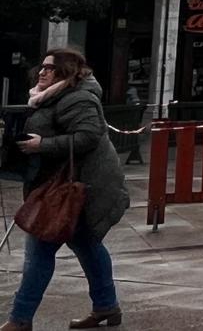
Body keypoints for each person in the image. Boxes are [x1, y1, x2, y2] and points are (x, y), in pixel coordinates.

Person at [5, 48, 130, 331]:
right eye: (42, 67)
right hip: (63, 185)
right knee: (87, 246)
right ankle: (106, 307)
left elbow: (88, 135)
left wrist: (42, 145)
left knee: (39, 252)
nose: (42, 71)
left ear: (66, 71)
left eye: (50, 68)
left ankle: (20, 319)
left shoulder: (79, 97)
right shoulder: (47, 97)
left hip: (75, 188)